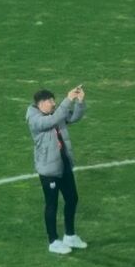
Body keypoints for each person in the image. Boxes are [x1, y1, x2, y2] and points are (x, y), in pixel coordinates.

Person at [26, 85, 87, 255]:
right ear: (40, 104)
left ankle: (70, 235)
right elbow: (53, 120)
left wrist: (79, 102)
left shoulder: (55, 113)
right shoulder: (35, 119)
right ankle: (53, 241)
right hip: (49, 169)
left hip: (63, 163)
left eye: (54, 100)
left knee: (72, 199)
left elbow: (73, 117)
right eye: (50, 101)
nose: (54, 103)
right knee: (52, 204)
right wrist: (68, 99)